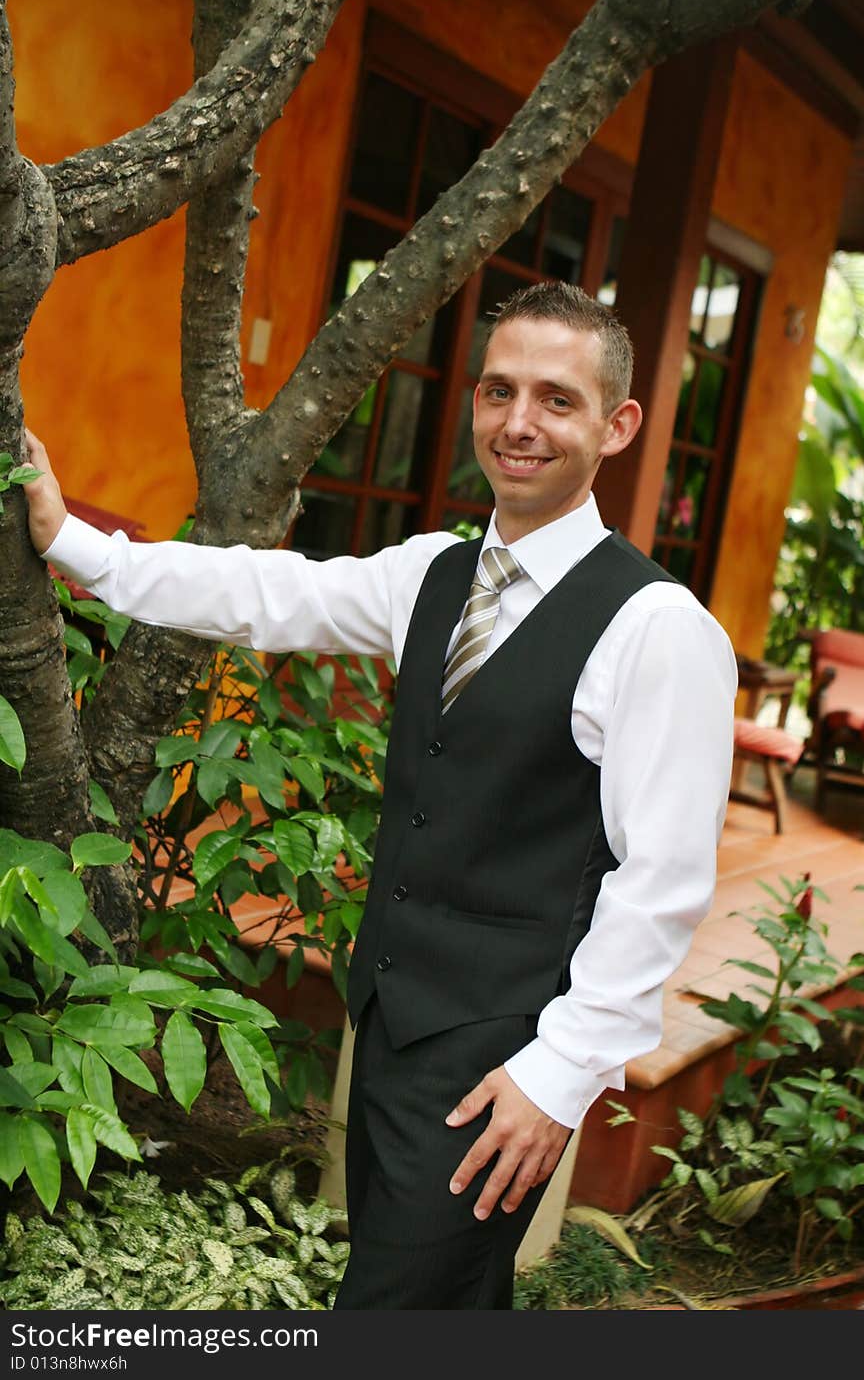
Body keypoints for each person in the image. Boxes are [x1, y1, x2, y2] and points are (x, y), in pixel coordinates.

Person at [24, 281, 737, 1310]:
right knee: (442, 1305)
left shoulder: (656, 628)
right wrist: (74, 543)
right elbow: (266, 596)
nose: (518, 423)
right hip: (394, 1019)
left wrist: (561, 1071)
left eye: (556, 399)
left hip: (503, 1051)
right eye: (498, 391)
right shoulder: (435, 574)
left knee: (396, 1310)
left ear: (617, 423)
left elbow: (662, 878)